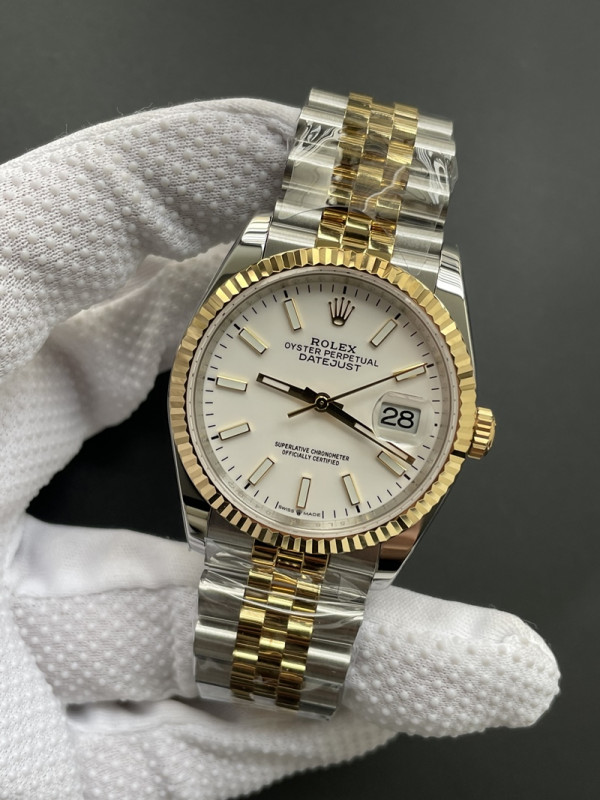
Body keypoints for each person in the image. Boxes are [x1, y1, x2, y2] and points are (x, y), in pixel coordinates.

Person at [0, 97, 559, 800]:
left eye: (331, 406)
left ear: (464, 429)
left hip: (304, 497)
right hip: (261, 490)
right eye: (316, 400)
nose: (323, 405)